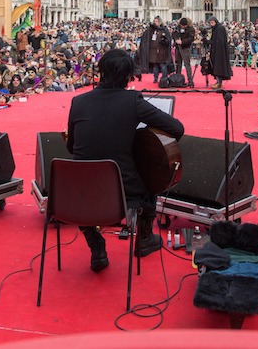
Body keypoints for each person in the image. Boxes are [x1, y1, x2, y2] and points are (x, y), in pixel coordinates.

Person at [66, 49, 184, 271]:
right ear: (128, 76)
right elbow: (176, 128)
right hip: (122, 194)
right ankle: (145, 238)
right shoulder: (132, 101)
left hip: (76, 195)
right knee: (151, 174)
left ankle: (95, 241)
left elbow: (72, 146)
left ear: (101, 72)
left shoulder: (78, 101)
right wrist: (143, 142)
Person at [138, 16, 171, 84]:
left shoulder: (164, 29)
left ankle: (164, 78)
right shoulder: (151, 30)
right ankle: (155, 78)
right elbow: (146, 37)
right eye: (154, 21)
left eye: (157, 21)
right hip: (152, 51)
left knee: (162, 65)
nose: (155, 23)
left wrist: (163, 41)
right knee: (155, 65)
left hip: (161, 51)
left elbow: (168, 40)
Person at [205, 15, 233, 89]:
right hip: (216, 51)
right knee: (216, 67)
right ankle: (218, 82)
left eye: (212, 22)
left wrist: (211, 42)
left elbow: (219, 41)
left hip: (219, 52)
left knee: (219, 67)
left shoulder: (220, 28)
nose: (211, 24)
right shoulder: (216, 28)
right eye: (210, 23)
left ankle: (219, 83)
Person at [173, 17, 196, 87]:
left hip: (185, 48)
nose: (182, 27)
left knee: (187, 65)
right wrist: (176, 39)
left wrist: (182, 42)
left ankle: (190, 81)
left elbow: (190, 39)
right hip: (178, 48)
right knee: (178, 64)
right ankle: (177, 80)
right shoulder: (178, 28)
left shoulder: (191, 29)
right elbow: (174, 34)